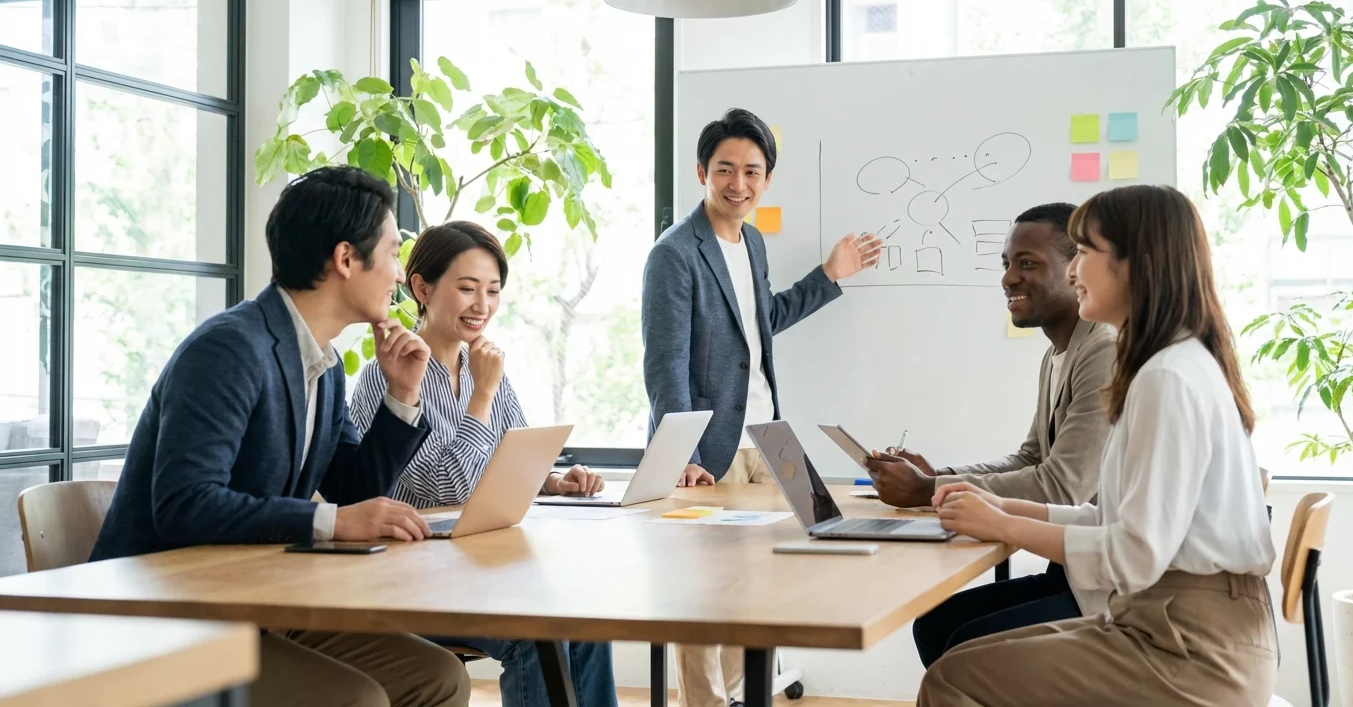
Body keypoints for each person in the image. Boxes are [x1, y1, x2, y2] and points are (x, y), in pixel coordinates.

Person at [89, 166, 469, 707]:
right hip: (170, 613)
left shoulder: (324, 362)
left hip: (258, 603)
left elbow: (350, 488)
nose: (397, 273)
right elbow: (184, 504)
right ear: (344, 259)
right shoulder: (228, 350)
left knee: (438, 676)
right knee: (355, 698)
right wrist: (332, 522)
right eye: (390, 252)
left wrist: (401, 396)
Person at [919, 184, 1277, 706]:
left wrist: (1004, 525)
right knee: (958, 658)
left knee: (954, 678)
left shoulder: (1167, 377)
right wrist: (1006, 507)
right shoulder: (1170, 364)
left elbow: (1133, 553)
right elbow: (1117, 523)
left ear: (1136, 265)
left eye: (1084, 253)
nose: (1072, 271)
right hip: (1175, 625)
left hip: (1191, 649)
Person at [641, 107, 881, 707]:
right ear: (702, 171)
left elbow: (760, 324)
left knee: (757, 588)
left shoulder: (752, 242)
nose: (738, 184)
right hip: (710, 449)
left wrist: (829, 275)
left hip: (767, 437)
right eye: (725, 169)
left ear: (767, 178)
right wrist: (685, 456)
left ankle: (744, 698)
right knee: (703, 596)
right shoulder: (674, 254)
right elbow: (665, 364)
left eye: (752, 171)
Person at [350, 220, 616, 707]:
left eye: (492, 291)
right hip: (415, 575)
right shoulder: (384, 377)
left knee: (586, 620)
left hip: (482, 565)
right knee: (538, 636)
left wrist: (553, 482)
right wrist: (482, 394)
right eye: (467, 289)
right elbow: (445, 486)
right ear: (422, 288)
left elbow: (511, 458)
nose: (483, 306)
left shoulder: (483, 365)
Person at [863, 203, 1115, 666]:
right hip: (1074, 575)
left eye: (1028, 264)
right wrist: (939, 475)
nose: (1008, 278)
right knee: (936, 626)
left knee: (958, 645)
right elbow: (1030, 457)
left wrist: (929, 491)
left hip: (1105, 592)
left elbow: (1063, 485)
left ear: (1075, 267)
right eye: (1006, 264)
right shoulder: (1058, 353)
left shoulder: (1103, 350)